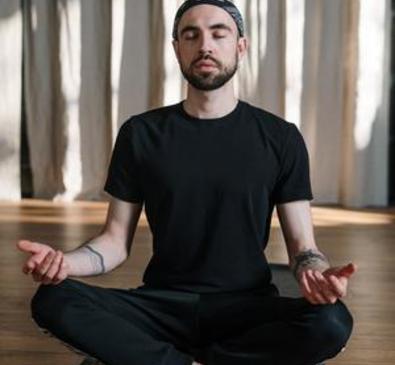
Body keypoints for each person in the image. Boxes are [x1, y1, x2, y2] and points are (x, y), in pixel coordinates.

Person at [17, 1, 357, 364]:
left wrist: (318, 275)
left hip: (246, 308)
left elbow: (303, 247)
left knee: (332, 321)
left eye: (218, 33)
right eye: (191, 35)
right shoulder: (141, 134)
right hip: (161, 306)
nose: (205, 45)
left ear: (240, 47)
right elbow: (114, 243)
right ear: (177, 49)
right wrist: (64, 264)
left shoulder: (280, 138)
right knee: (53, 299)